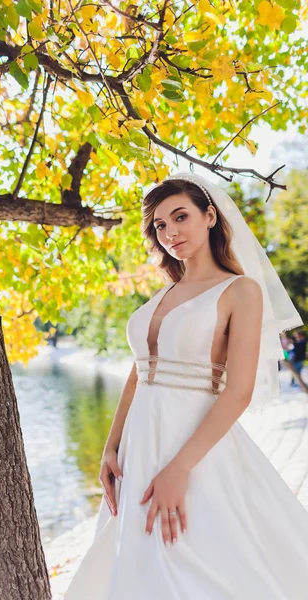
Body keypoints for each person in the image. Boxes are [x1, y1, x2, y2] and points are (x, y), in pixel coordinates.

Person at [64, 172, 308, 600]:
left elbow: (239, 392)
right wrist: (111, 445)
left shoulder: (240, 291)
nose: (170, 232)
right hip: (139, 447)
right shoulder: (164, 294)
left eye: (180, 217)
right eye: (160, 225)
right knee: (140, 561)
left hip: (195, 447)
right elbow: (141, 373)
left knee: (197, 562)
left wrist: (179, 469)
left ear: (209, 215)